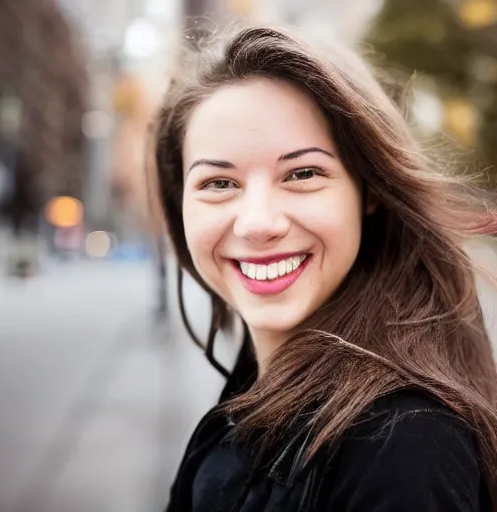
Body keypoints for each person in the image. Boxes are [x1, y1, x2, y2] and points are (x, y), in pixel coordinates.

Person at [148, 23, 497, 511]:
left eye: (303, 174)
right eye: (219, 183)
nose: (258, 223)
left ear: (369, 190)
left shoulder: (403, 447)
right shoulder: (253, 400)